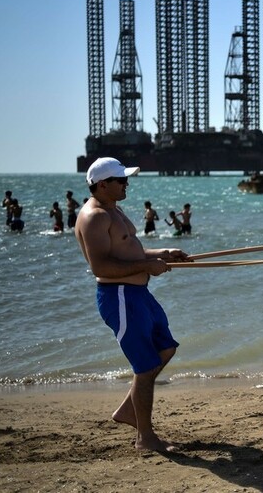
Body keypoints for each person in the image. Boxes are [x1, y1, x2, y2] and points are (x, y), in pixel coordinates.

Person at [75, 157, 191, 452]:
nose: (127, 184)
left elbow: (129, 251)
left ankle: (128, 409)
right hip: (119, 296)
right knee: (145, 365)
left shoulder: (114, 209)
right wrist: (147, 266)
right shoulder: (94, 217)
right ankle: (145, 438)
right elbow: (101, 267)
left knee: (166, 348)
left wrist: (162, 253)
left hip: (138, 294)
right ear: (103, 184)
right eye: (122, 180)